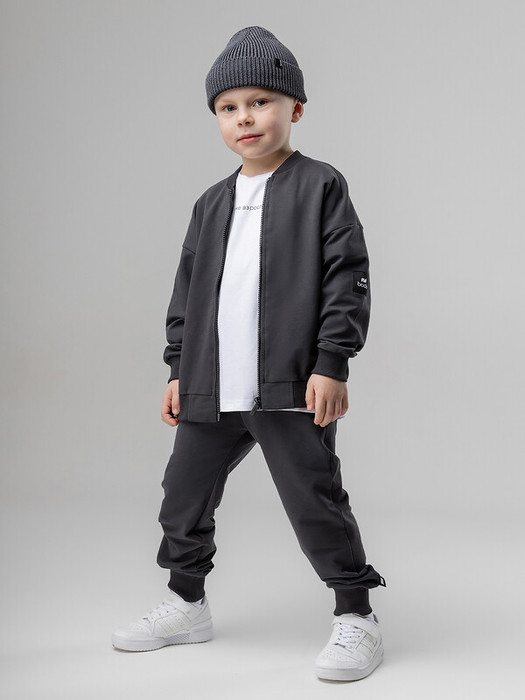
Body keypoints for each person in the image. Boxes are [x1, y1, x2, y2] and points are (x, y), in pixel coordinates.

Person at [112, 25, 387, 682]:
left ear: (295, 108)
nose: (245, 117)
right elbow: (186, 292)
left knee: (314, 499)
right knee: (182, 497)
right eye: (229, 106)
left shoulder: (319, 185)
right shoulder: (210, 204)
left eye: (261, 101)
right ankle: (187, 604)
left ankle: (356, 615)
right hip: (209, 386)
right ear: (216, 118)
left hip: (289, 384)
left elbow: (346, 275)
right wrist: (178, 369)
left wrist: (331, 362)